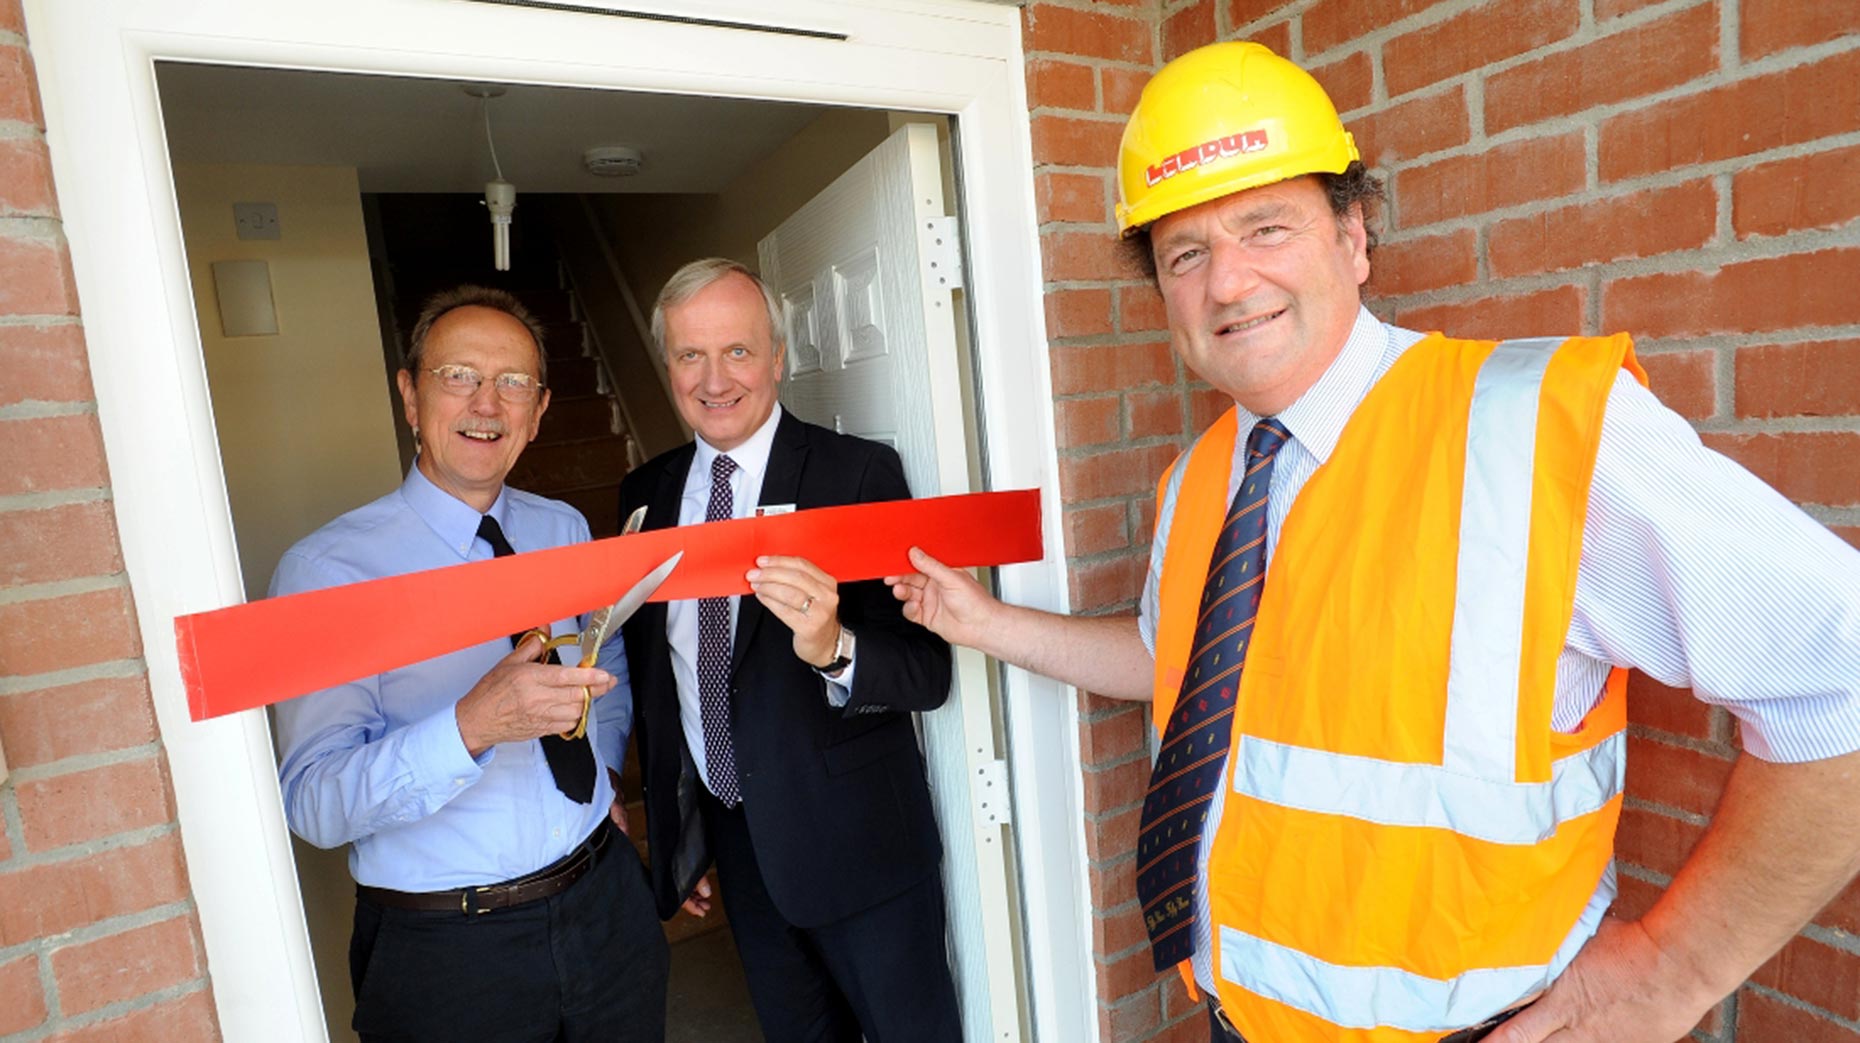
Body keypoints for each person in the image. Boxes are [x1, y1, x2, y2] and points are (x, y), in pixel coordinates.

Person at [889, 41, 1860, 1043]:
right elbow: (1173, 662)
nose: (1228, 280)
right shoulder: (1201, 478)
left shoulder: (1536, 434)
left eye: (1266, 225)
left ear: (1355, 237)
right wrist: (987, 622)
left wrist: (1672, 968)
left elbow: (1842, 672)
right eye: (1186, 252)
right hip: (1241, 1018)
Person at [273, 285, 669, 1041]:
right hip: (449, 953)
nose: (487, 403)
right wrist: (472, 724)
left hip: (605, 903)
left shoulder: (563, 526)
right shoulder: (327, 571)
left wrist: (606, 775)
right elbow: (316, 803)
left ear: (540, 409)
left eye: (513, 382)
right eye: (459, 375)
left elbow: (606, 645)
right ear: (410, 396)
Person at [617, 257, 961, 1042]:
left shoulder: (858, 473)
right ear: (667, 364)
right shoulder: (645, 495)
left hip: (862, 845)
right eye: (689, 354)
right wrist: (683, 833)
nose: (714, 378)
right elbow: (660, 676)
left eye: (737, 350)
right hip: (738, 843)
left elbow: (928, 669)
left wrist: (834, 645)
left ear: (778, 355)